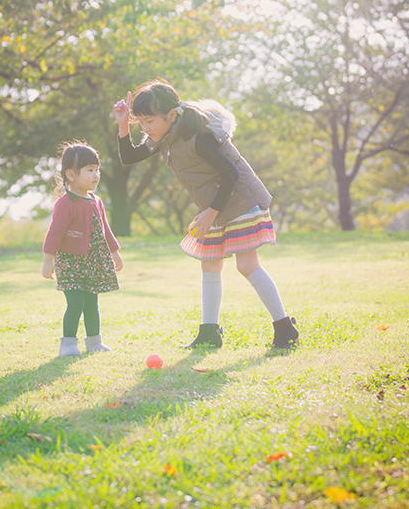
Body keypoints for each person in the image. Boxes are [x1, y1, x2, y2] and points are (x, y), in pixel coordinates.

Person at [113, 79, 299, 350]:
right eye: (140, 122)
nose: (145, 128)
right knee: (210, 264)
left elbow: (231, 174)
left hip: (239, 199)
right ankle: (209, 332)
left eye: (149, 121)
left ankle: (284, 328)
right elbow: (129, 157)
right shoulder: (165, 136)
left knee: (247, 266)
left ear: (172, 115)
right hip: (216, 204)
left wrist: (211, 213)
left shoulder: (197, 136)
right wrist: (121, 125)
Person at [42, 141, 123, 357]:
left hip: (93, 261)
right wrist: (48, 260)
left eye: (97, 170)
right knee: (75, 302)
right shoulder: (65, 203)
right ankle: (68, 344)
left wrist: (115, 253)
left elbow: (105, 229)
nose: (96, 175)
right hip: (70, 261)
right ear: (70, 175)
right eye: (89, 170)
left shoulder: (96, 201)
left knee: (91, 302)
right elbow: (55, 233)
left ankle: (95, 342)